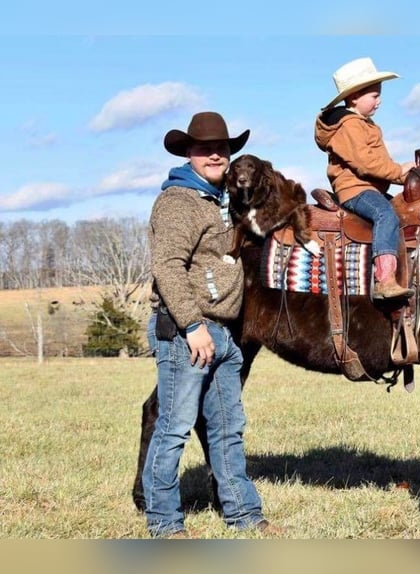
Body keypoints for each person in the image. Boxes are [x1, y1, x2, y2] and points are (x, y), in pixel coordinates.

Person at [142, 111, 276, 538]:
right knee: (175, 426)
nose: (215, 154)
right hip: (190, 332)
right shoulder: (180, 201)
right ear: (188, 153)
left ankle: (243, 514)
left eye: (222, 147)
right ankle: (164, 523)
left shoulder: (216, 203)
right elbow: (167, 266)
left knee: (227, 428)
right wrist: (192, 325)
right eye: (204, 148)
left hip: (221, 334)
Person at [314, 56, 416, 300]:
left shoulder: (364, 124)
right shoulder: (350, 126)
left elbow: (375, 163)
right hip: (356, 189)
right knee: (385, 214)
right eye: (374, 95)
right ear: (354, 97)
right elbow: (366, 163)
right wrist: (400, 172)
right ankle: (385, 280)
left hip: (369, 188)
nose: (379, 101)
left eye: (379, 95)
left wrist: (403, 176)